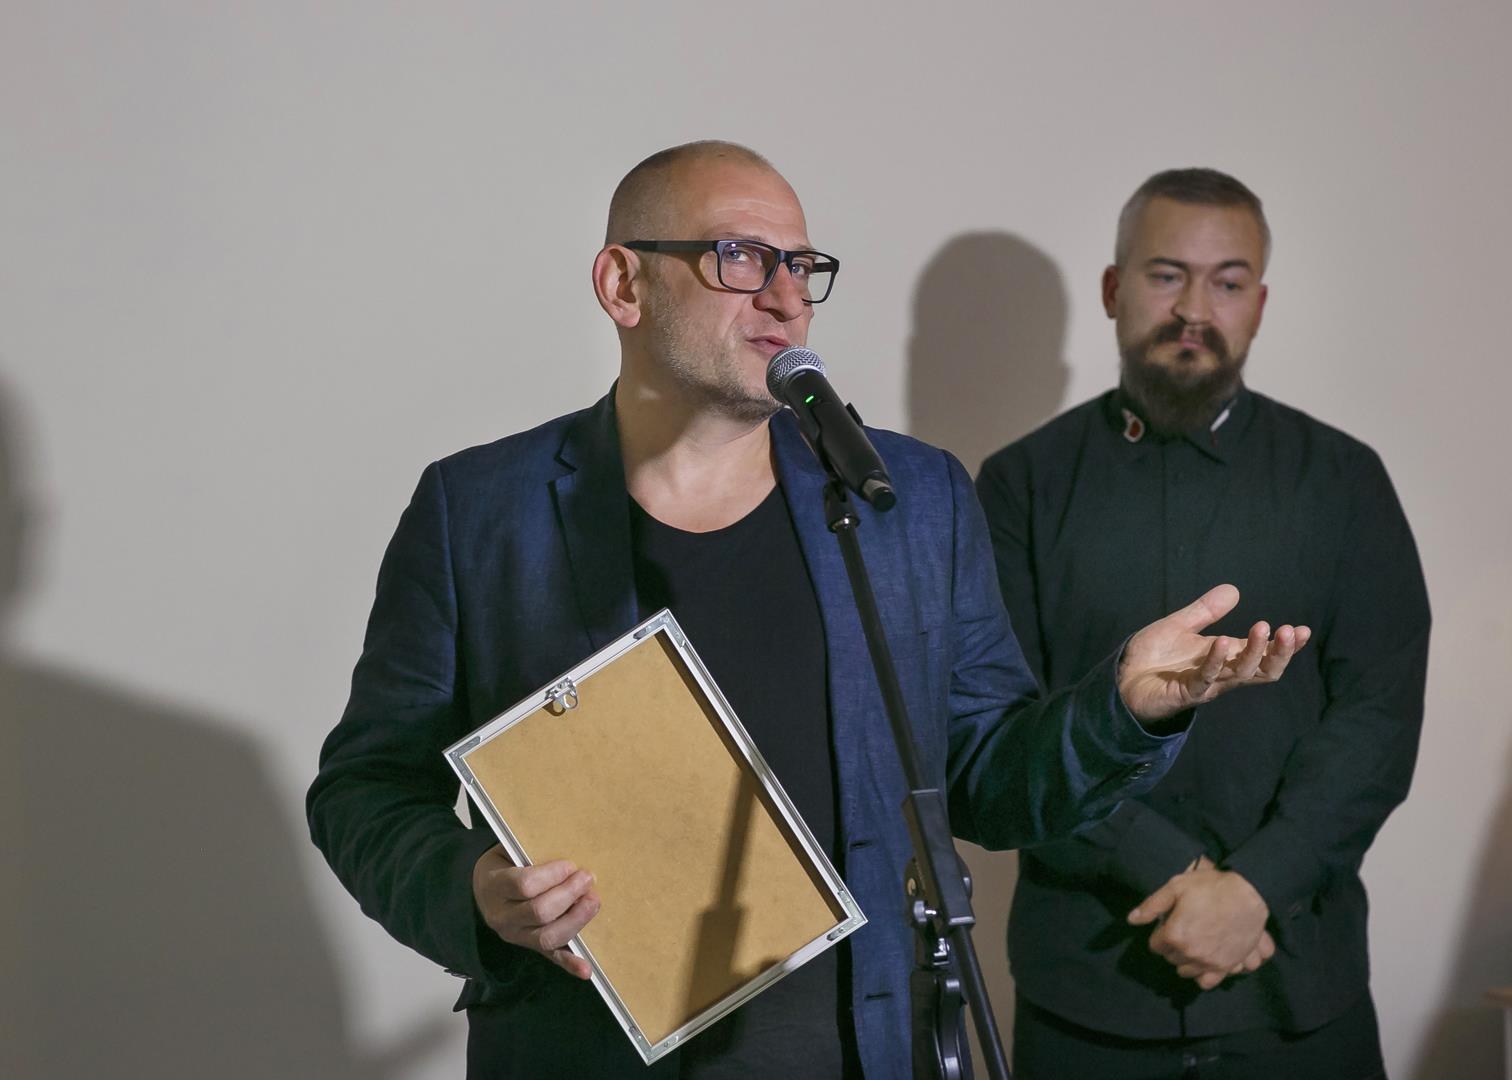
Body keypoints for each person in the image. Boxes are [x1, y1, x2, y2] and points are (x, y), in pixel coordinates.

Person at [308, 143, 1308, 1080]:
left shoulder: (905, 500)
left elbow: (984, 783)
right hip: (583, 1049)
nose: (786, 296)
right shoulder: (482, 511)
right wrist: (476, 891)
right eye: (740, 257)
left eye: (802, 265)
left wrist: (1123, 711)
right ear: (623, 284)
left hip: (862, 1049)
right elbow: (366, 790)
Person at [977, 168, 1431, 1080]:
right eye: (1165, 275)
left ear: (1258, 304)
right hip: (1088, 994)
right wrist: (1176, 875)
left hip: (1298, 986)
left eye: (1227, 282)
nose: (1194, 308)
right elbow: (995, 731)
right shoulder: (1020, 486)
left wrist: (1259, 885)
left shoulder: (1344, 480)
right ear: (1113, 289)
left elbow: (1378, 715)